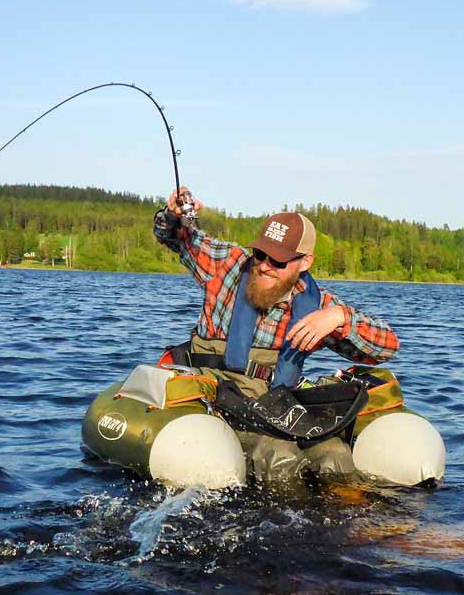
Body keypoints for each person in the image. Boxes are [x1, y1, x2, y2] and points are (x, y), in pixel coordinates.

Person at [153, 187, 400, 484]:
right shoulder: (228, 265)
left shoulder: (318, 307)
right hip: (217, 395)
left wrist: (341, 319)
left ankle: (345, 527)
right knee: (280, 458)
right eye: (261, 254)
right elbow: (177, 236)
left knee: (335, 458)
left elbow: (386, 346)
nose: (265, 266)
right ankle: (277, 528)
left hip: (276, 406)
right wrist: (172, 215)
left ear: (304, 262)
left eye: (279, 261)